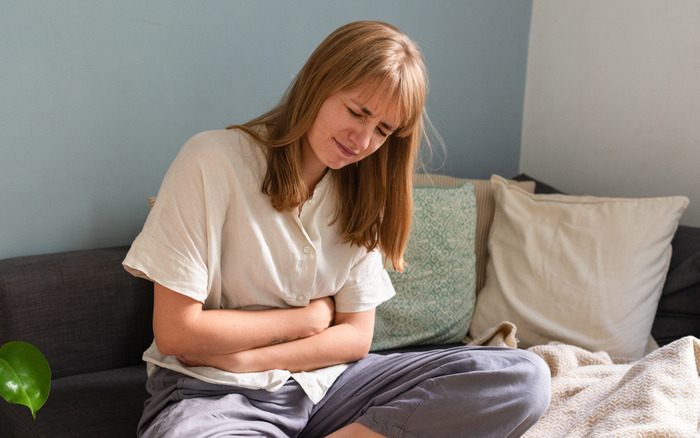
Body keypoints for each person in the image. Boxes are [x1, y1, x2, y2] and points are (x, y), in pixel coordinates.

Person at [123, 20, 550, 438]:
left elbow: (354, 339)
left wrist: (246, 359)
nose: (362, 141)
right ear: (317, 84)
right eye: (357, 111)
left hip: (328, 388)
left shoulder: (362, 194)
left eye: (382, 129)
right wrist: (308, 318)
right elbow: (178, 332)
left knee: (523, 377)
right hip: (214, 395)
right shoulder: (211, 161)